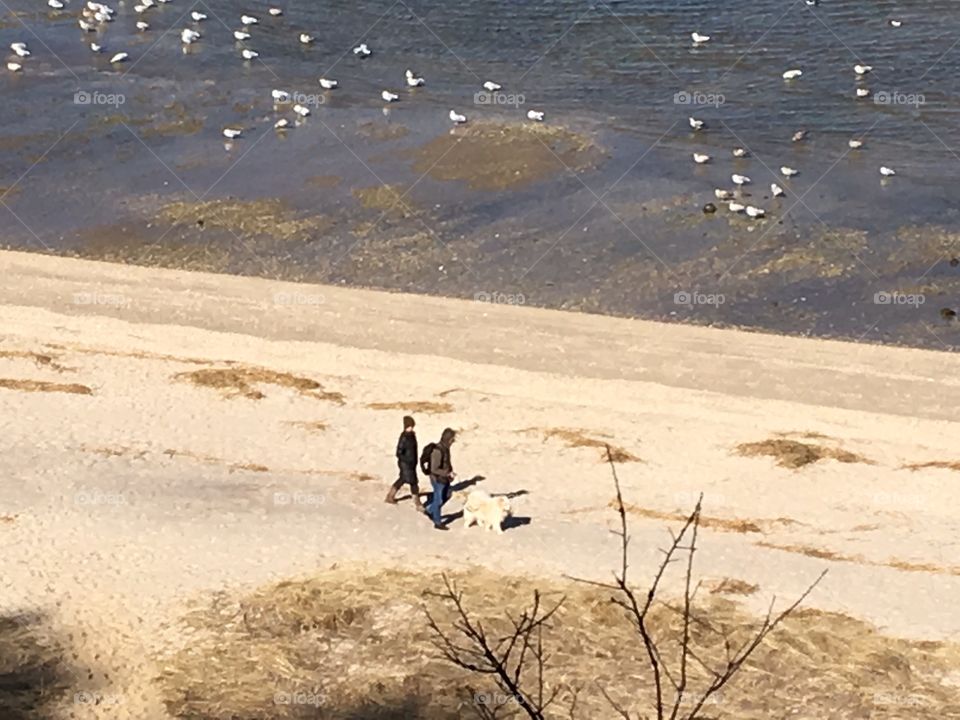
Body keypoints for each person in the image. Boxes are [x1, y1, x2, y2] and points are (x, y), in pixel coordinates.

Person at [384, 416, 422, 510]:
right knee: (413, 482)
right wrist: (406, 460)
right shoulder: (404, 437)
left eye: (412, 426)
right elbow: (399, 452)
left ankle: (390, 496)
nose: (411, 428)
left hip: (411, 464)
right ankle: (417, 503)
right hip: (405, 464)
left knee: (402, 480)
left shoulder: (412, 436)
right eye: (409, 426)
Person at [427, 428, 457, 531]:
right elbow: (434, 469)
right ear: (448, 439)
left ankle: (430, 510)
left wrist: (450, 472)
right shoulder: (437, 451)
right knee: (438, 500)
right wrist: (447, 473)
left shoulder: (446, 448)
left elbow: (447, 462)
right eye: (452, 439)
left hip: (444, 478)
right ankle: (437, 522)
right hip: (437, 479)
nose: (453, 441)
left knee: (446, 496)